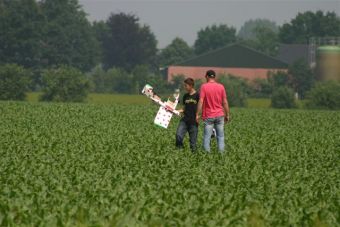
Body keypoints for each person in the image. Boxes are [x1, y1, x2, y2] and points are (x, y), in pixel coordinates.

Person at [196, 70, 230, 153]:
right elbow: (225, 102)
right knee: (220, 137)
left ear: (207, 76)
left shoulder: (204, 87)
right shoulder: (221, 87)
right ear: (214, 77)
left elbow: (201, 101)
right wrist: (227, 114)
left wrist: (197, 114)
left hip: (209, 116)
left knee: (207, 137)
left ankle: (206, 156)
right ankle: (221, 156)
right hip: (220, 115)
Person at [175, 78, 199, 152]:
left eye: (186, 85)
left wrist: (199, 116)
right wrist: (176, 111)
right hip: (184, 120)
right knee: (178, 135)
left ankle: (194, 159)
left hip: (193, 122)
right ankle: (180, 152)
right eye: (184, 85)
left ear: (191, 86)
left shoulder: (198, 95)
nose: (184, 87)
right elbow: (184, 109)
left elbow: (202, 108)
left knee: (193, 144)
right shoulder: (185, 96)